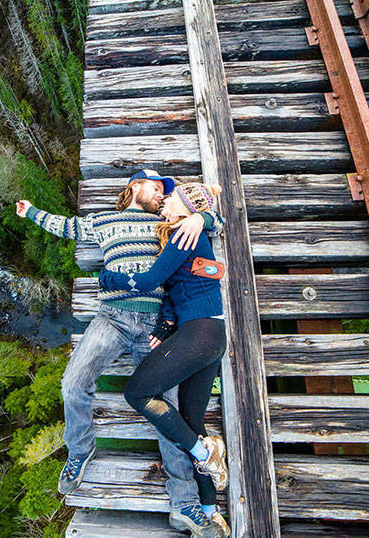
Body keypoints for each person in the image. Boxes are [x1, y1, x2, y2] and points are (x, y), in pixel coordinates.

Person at [16, 170, 226, 537]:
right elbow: (65, 226)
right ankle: (80, 450)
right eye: (156, 188)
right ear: (134, 186)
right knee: (72, 383)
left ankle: (185, 503)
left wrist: (201, 218)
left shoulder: (168, 225)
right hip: (111, 317)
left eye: (165, 193)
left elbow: (216, 221)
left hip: (154, 325)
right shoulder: (103, 220)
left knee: (167, 408)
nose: (160, 196)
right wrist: (31, 211)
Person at [98, 182, 231, 536]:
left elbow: (149, 281)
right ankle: (210, 510)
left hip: (199, 333)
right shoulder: (190, 231)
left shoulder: (183, 234)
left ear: (184, 207)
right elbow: (178, 287)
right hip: (211, 335)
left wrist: (109, 278)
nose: (165, 200)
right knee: (192, 418)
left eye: (171, 197)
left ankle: (202, 453)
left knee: (137, 393)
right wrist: (165, 323)